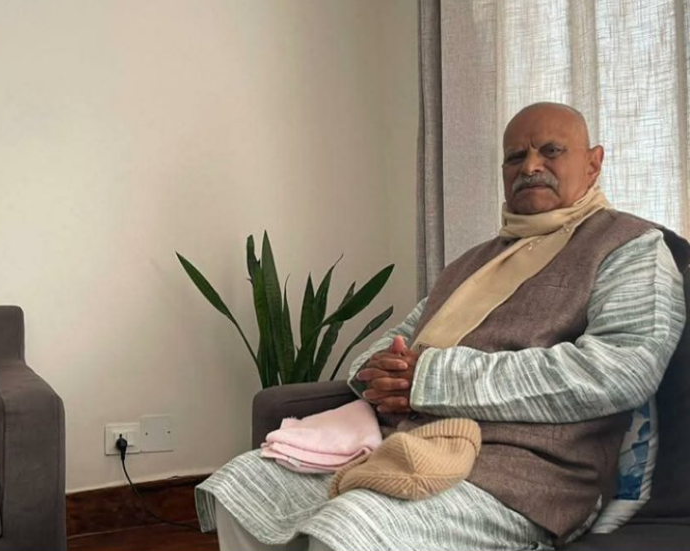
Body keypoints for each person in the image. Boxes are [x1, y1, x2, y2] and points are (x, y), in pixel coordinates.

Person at [195, 102, 689, 550]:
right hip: (398, 445)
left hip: (522, 471)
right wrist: (378, 374)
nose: (530, 166)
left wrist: (430, 379)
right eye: (515, 157)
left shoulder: (631, 247)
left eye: (551, 151)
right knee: (245, 488)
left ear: (594, 163)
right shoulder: (471, 263)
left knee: (353, 527)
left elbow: (621, 370)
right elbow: (395, 344)